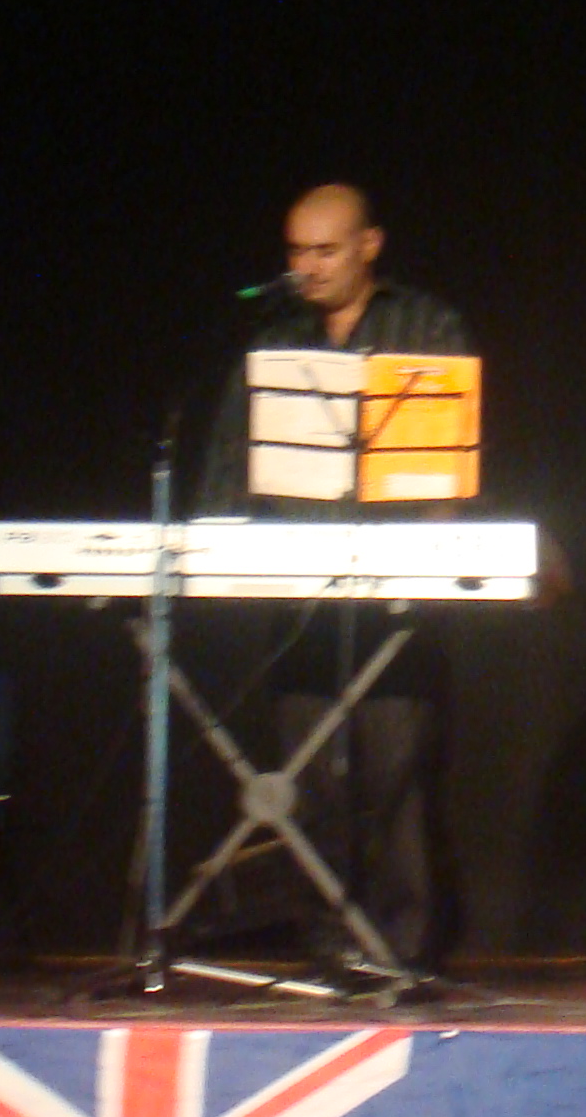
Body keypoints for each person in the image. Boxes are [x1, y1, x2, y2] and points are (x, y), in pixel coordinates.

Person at [197, 183, 473, 975]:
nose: (308, 267)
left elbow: (451, 459)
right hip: (298, 592)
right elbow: (229, 464)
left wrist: (429, 554)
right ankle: (326, 941)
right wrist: (217, 545)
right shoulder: (275, 340)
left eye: (325, 250)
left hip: (395, 589)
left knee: (394, 772)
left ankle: (400, 948)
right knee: (307, 776)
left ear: (368, 246)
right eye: (297, 252)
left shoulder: (426, 326)